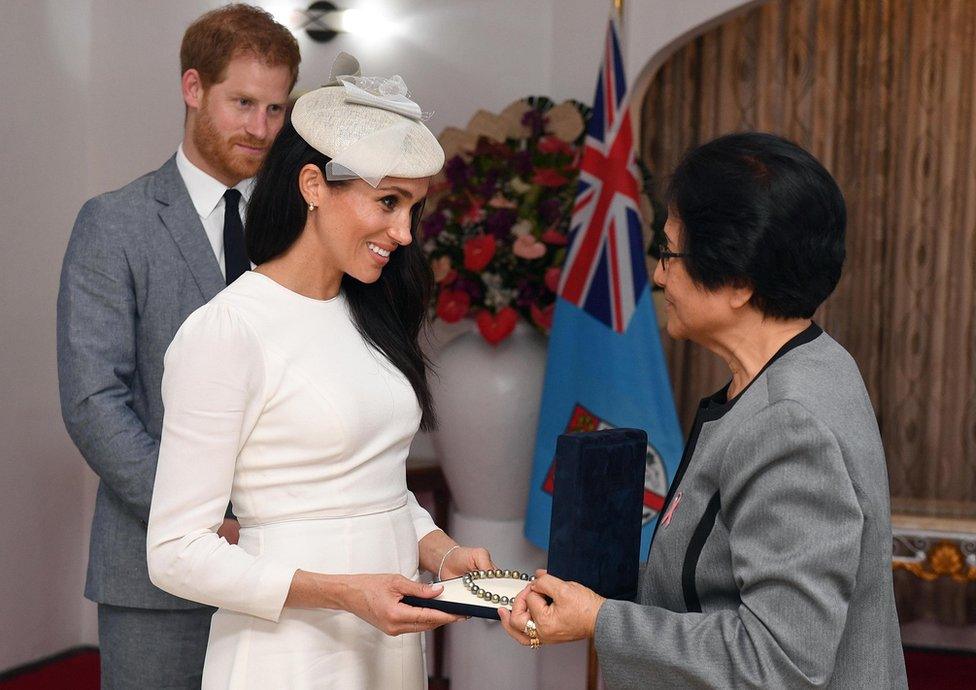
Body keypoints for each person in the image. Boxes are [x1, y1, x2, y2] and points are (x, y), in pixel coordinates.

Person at [499, 132, 908, 689]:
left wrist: (600, 619)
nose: (660, 273)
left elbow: (779, 662)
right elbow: (714, 580)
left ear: (737, 280)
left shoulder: (789, 422)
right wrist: (590, 599)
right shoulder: (813, 363)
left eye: (669, 250)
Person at [146, 53, 495, 689]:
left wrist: (445, 553)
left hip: (385, 641)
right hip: (289, 653)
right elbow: (174, 554)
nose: (405, 231)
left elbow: (374, 490)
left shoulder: (368, 311)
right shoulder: (228, 332)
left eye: (412, 208)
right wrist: (343, 592)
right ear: (313, 186)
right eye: (388, 201)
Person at [57, 5, 299, 687]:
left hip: (282, 568)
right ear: (194, 88)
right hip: (153, 568)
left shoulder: (297, 230)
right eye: (243, 103)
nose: (261, 128)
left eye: (277, 109)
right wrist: (198, 518)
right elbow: (93, 400)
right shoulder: (114, 223)